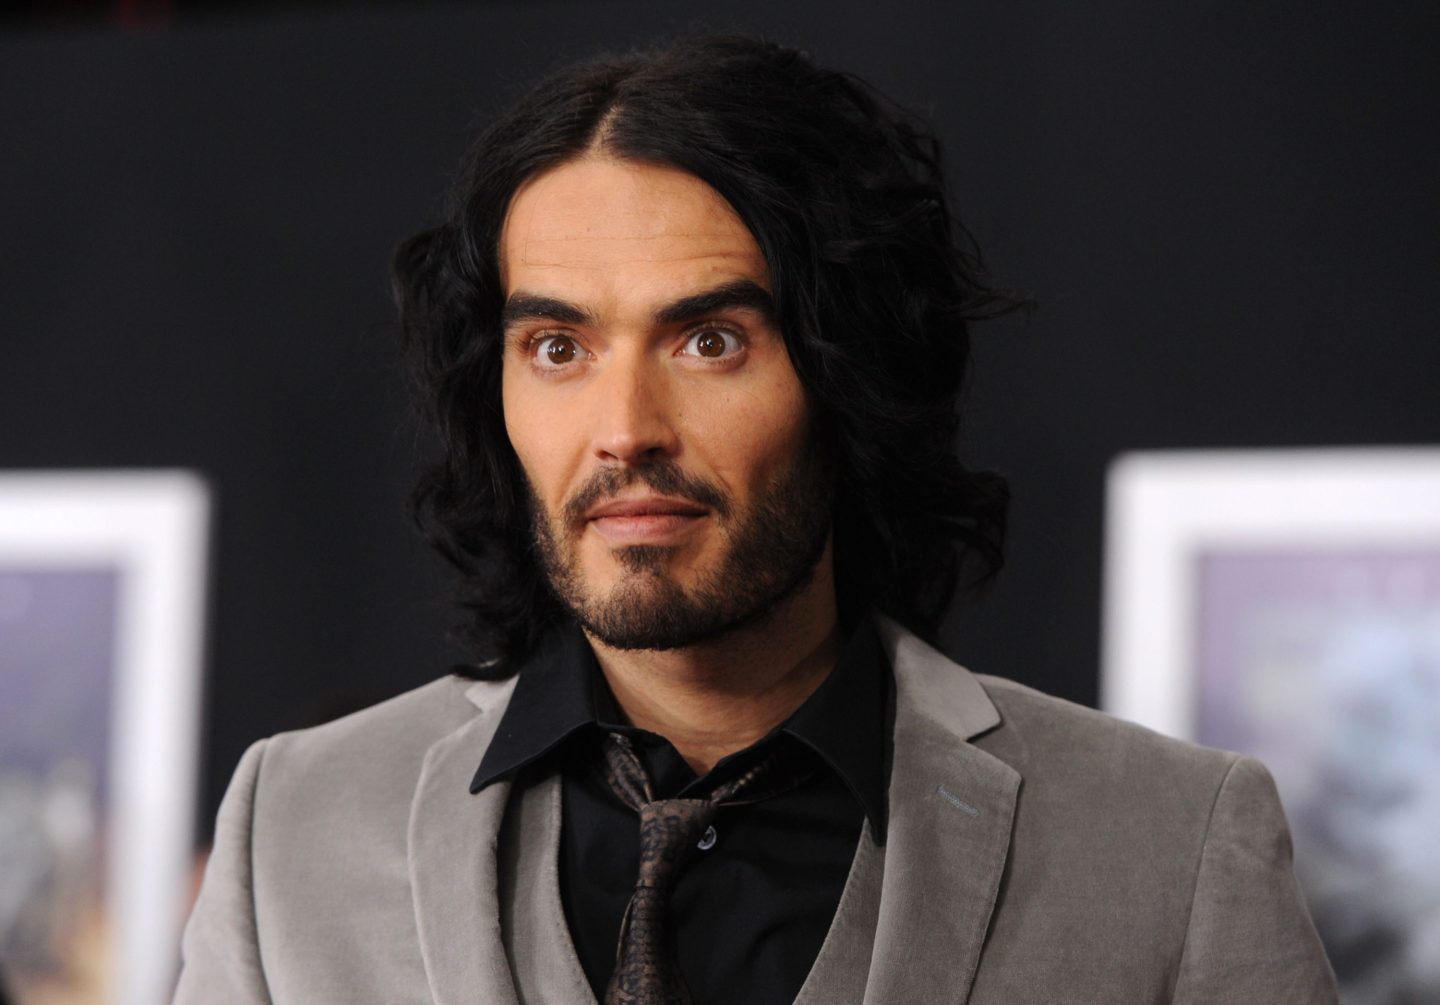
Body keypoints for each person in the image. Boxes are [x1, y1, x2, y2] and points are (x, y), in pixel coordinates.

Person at [174, 35, 1337, 1004]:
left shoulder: (1172, 848)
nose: (624, 427)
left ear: (850, 373)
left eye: (709, 341)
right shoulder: (295, 827)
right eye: (559, 348)